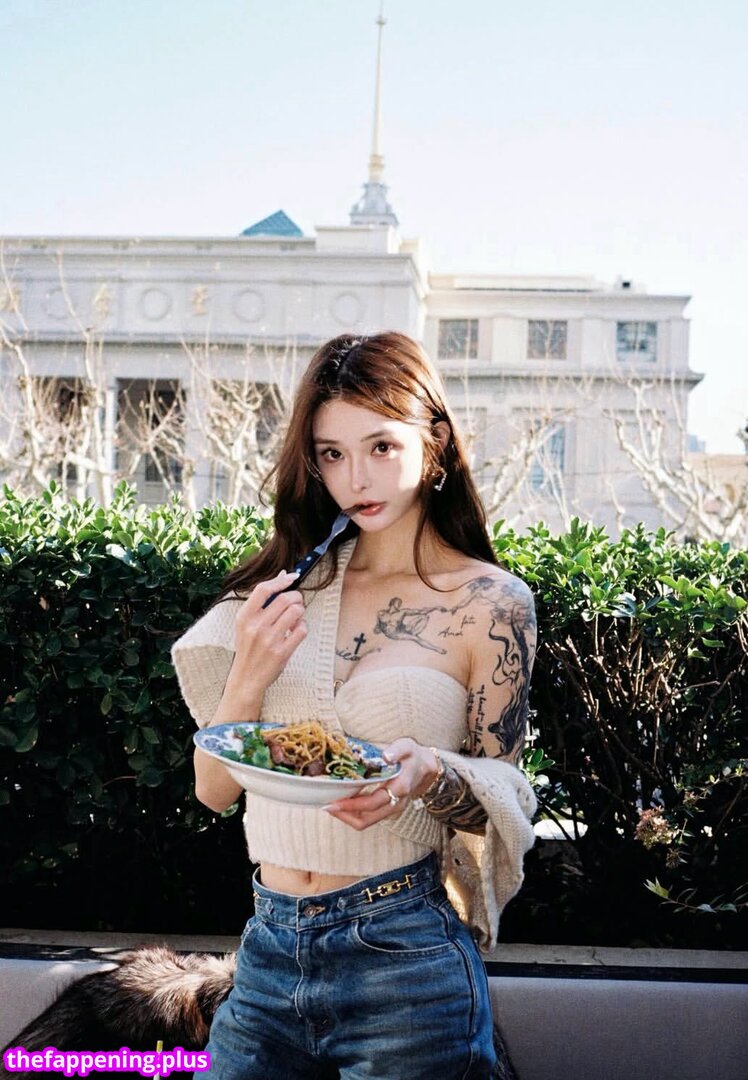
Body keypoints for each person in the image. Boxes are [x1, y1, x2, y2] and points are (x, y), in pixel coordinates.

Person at [171, 331, 538, 1080]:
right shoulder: (282, 590)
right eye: (331, 454)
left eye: (381, 446)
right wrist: (249, 674)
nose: (355, 478)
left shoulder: (490, 603)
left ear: (434, 443)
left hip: (404, 956)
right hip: (267, 953)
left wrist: (430, 773)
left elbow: (503, 800)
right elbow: (213, 791)